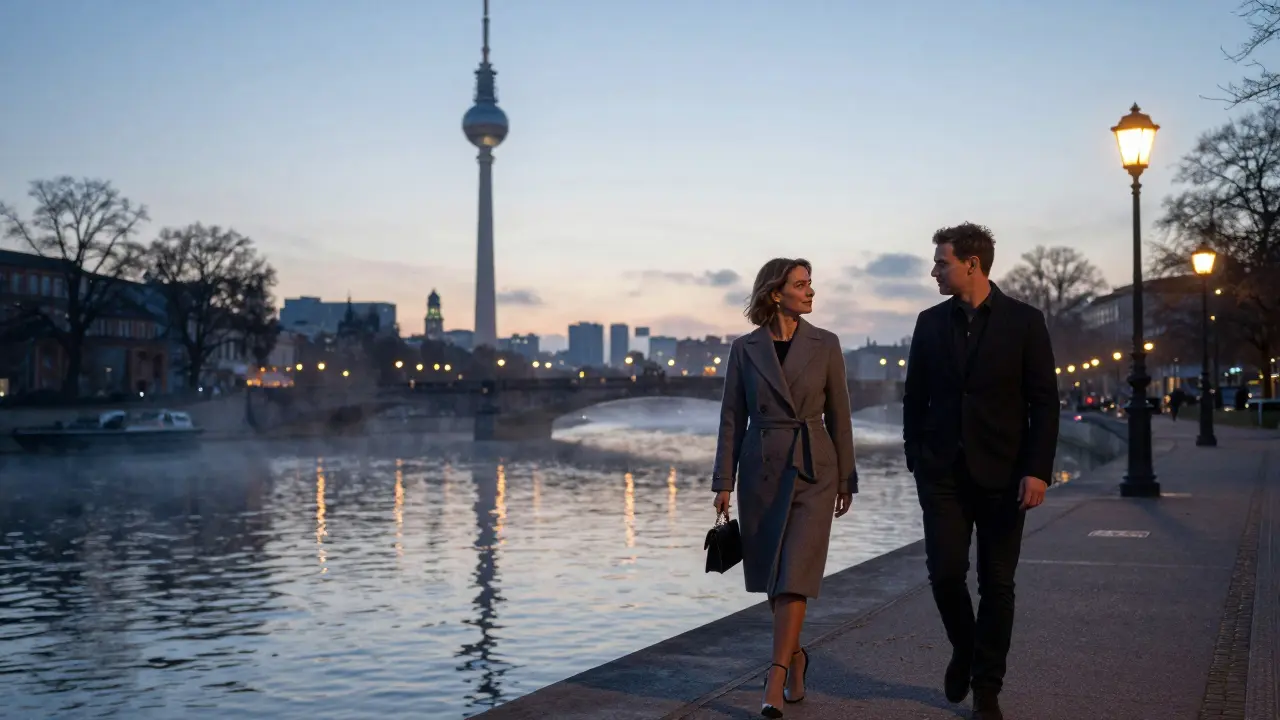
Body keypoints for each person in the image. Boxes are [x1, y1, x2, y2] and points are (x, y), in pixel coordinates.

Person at [902, 223, 1059, 720]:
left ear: (972, 264)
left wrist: (1037, 471)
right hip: (942, 473)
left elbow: (1044, 403)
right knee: (945, 573)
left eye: (941, 263)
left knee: (997, 584)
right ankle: (965, 649)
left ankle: (987, 688)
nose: (934, 271)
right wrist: (915, 455)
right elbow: (914, 398)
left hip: (1006, 474)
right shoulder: (929, 323)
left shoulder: (1025, 322)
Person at [712, 257, 857, 719]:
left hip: (815, 468)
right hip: (762, 470)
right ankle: (796, 657)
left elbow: (840, 415)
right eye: (801, 284)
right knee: (775, 575)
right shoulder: (744, 348)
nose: (811, 291)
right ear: (776, 294)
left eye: (811, 283)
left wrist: (847, 477)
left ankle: (774, 674)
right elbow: (732, 417)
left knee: (796, 570)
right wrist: (723, 481)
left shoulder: (826, 343)